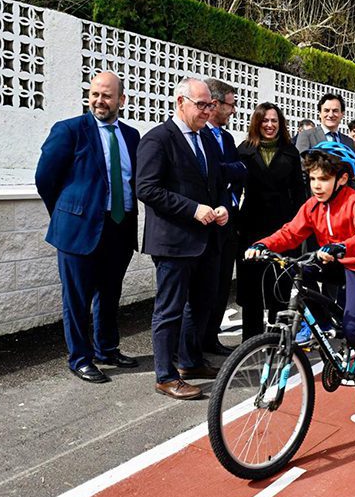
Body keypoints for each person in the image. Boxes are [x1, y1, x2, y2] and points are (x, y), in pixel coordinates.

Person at [245, 141, 355, 409]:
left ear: (342, 178)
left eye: (324, 179)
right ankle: (322, 323)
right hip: (334, 261)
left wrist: (343, 246)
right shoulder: (312, 206)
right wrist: (263, 245)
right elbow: (291, 232)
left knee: (354, 328)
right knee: (293, 267)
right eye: (312, 178)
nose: (316, 185)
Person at [35, 71, 141, 383]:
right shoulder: (69, 130)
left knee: (110, 294)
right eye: (95, 94)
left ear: (121, 100)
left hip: (119, 226)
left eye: (107, 95)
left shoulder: (131, 135)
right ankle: (80, 358)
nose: (99, 100)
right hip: (78, 229)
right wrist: (67, 213)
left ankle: (107, 349)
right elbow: (45, 178)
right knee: (77, 298)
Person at [136, 78, 232, 400]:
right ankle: (165, 375)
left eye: (211, 105)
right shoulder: (158, 140)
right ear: (181, 102)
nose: (208, 111)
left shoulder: (207, 139)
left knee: (202, 304)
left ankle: (190, 361)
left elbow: (215, 182)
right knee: (170, 309)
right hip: (174, 241)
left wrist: (222, 206)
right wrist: (193, 210)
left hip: (207, 239)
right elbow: (147, 189)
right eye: (201, 105)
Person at [184, 78, 247, 357]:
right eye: (231, 105)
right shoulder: (199, 136)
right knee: (198, 290)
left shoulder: (228, 138)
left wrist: (232, 169)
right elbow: (219, 172)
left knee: (221, 285)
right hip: (205, 220)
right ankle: (191, 347)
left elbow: (236, 170)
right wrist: (233, 169)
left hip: (228, 218)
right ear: (216, 103)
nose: (233, 111)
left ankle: (211, 338)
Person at [236, 103, 306, 340]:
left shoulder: (290, 152)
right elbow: (233, 189)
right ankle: (250, 342)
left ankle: (278, 341)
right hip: (250, 225)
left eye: (274, 120)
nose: (269, 125)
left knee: (280, 285)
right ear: (257, 122)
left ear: (281, 123)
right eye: (264, 120)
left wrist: (299, 227)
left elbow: (299, 192)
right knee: (251, 288)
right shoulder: (244, 150)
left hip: (283, 225)